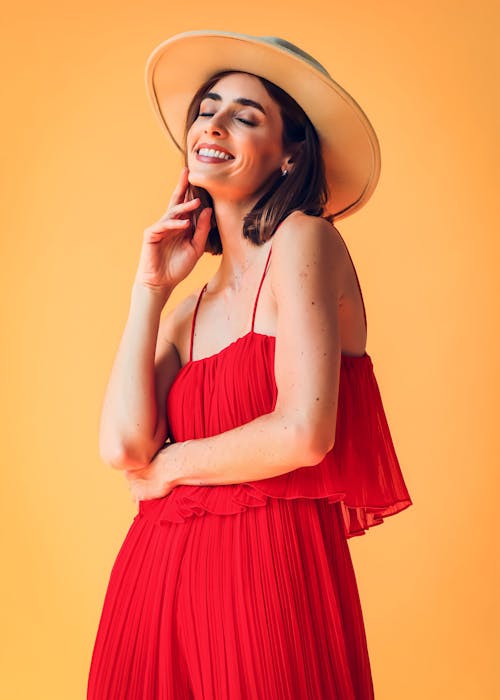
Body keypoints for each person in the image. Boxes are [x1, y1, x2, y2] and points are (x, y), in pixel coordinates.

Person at [87, 31, 413, 699]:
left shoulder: (306, 240)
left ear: (291, 154)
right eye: (207, 108)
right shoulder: (184, 312)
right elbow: (123, 446)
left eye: (246, 114)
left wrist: (171, 466)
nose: (214, 124)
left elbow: (304, 432)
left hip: (268, 578)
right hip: (153, 584)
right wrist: (149, 291)